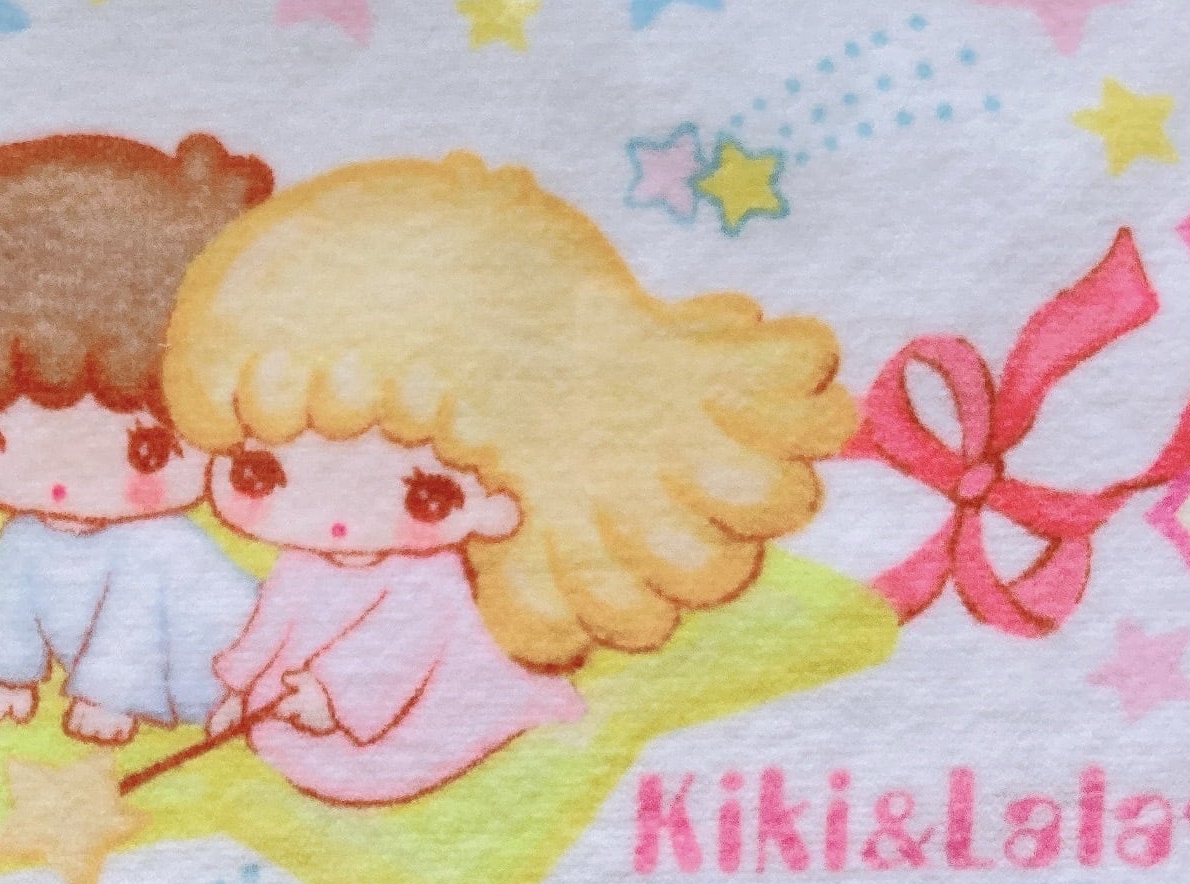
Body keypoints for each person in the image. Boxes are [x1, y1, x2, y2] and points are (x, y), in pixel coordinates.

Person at [163, 151, 859, 804]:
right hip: (301, 718)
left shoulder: (431, 584)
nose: (339, 522)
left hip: (398, 735)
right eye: (260, 473)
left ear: (506, 498)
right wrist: (243, 684)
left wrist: (333, 697)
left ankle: (518, 701)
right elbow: (280, 620)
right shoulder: (305, 563)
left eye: (426, 494)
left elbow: (401, 653)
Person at [0, 129, 272, 744]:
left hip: (221, 683)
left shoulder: (158, 545)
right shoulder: (24, 537)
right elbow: (9, 609)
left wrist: (109, 700)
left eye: (147, 451)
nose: (66, 485)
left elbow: (133, 628)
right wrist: (3, 675)